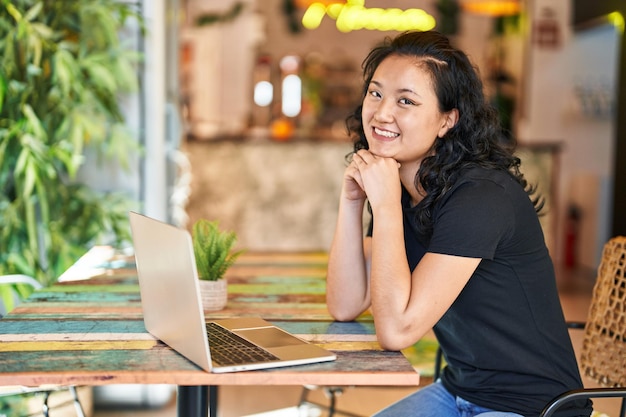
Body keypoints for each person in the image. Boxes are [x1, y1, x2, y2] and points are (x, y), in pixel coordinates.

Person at [326, 30, 591, 417]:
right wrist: (352, 202)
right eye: (376, 93)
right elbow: (345, 304)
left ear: (447, 120)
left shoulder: (480, 197)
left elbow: (396, 331)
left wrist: (383, 208)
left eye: (406, 101)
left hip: (533, 407)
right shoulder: (401, 186)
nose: (382, 113)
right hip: (457, 391)